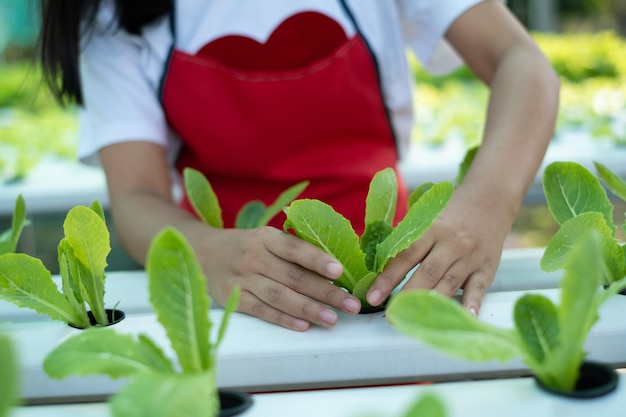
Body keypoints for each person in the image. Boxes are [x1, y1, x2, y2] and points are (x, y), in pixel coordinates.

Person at [39, 0, 559, 332]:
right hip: (232, 303)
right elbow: (135, 195)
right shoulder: (110, 12)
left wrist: (486, 204)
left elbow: (521, 61)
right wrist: (210, 253)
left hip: (393, 288)